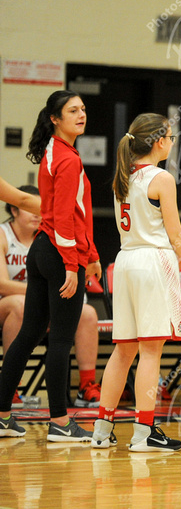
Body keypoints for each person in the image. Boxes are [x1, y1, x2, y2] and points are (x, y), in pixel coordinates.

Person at [91, 113, 181, 452]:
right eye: (171, 136)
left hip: (125, 262)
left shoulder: (122, 177)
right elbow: (176, 236)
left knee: (123, 351)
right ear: (159, 141)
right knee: (150, 351)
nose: (173, 142)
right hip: (152, 262)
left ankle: (102, 429)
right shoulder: (160, 177)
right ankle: (143, 431)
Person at [0, 89, 102, 442]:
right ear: (55, 119)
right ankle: (60, 422)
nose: (81, 114)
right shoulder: (69, 159)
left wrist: (91, 256)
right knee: (59, 340)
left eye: (83, 109)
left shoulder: (53, 152)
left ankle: (1, 415)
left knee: (30, 333)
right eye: (72, 110)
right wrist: (74, 264)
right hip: (59, 254)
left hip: (43, 249)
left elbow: (72, 213)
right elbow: (63, 216)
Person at [0, 185, 101, 408]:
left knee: (87, 313)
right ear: (14, 210)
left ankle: (87, 386)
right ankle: (11, 389)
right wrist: (43, 294)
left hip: (41, 304)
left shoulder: (50, 236)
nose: (38, 213)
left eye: (41, 207)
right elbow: (2, 285)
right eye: (31, 207)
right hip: (7, 304)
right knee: (19, 305)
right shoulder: (3, 234)